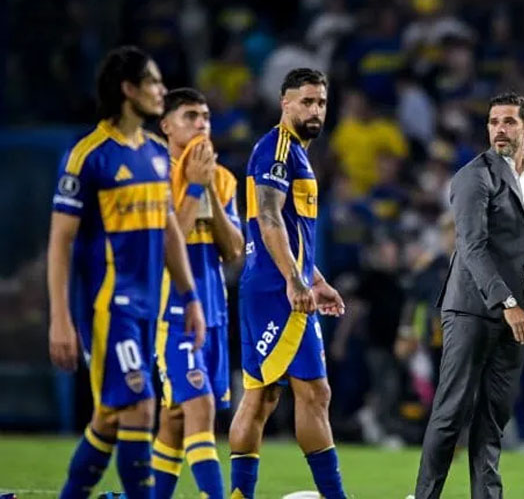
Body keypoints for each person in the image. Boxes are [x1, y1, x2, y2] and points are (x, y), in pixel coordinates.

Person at [47, 46, 207, 499]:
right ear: (129, 90)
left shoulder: (156, 154)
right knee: (141, 406)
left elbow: (170, 231)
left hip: (148, 306)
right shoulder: (88, 156)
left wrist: (190, 297)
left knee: (109, 419)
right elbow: (60, 241)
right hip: (109, 307)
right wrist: (60, 317)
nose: (162, 90)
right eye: (153, 81)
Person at [411, 93, 524, 499]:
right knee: (451, 414)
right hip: (472, 309)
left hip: (517, 310)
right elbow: (472, 247)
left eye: (509, 122)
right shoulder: (473, 176)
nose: (500, 129)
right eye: (494, 122)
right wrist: (507, 302)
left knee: (493, 418)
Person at [228, 68, 348, 499]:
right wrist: (295, 281)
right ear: (285, 103)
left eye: (321, 102)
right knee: (312, 393)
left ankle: (240, 494)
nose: (315, 110)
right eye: (306, 101)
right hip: (277, 289)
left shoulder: (295, 151)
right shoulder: (279, 148)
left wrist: (315, 279)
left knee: (262, 396)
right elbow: (268, 216)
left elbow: (292, 232)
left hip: (276, 283)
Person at [153, 88, 244, 499]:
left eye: (205, 116)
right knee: (200, 406)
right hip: (172, 311)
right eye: (190, 116)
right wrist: (192, 188)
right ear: (166, 125)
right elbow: (168, 243)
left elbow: (234, 249)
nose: (202, 124)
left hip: (214, 312)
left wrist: (208, 191)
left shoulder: (221, 179)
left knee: (175, 419)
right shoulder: (155, 174)